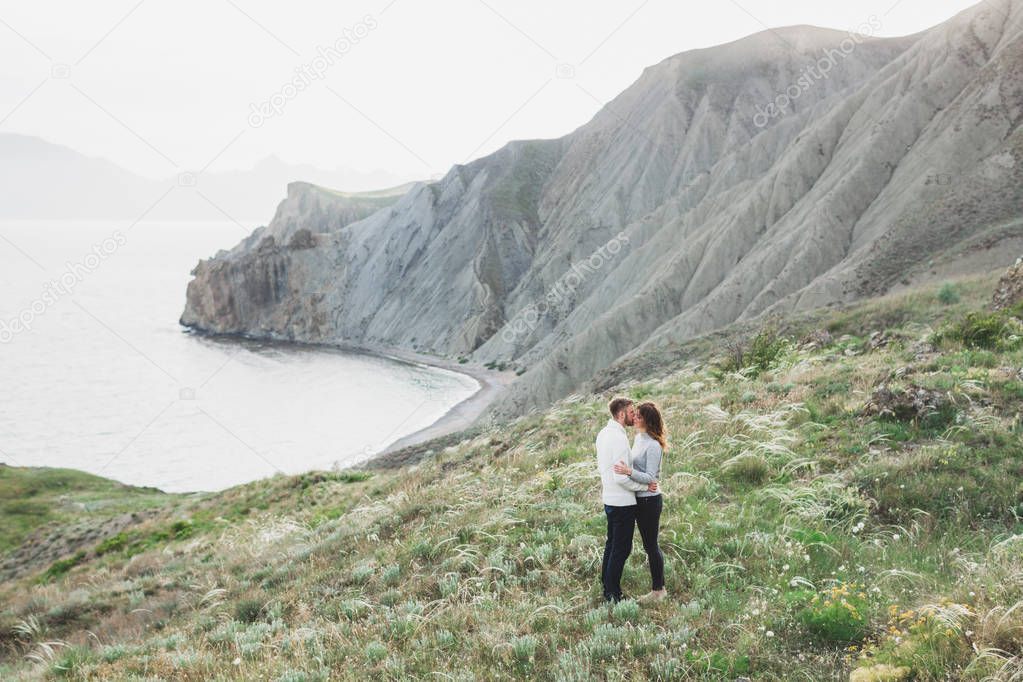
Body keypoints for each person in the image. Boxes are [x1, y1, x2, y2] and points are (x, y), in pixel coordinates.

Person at [596, 397, 657, 603]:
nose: (634, 416)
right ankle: (613, 594)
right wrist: (643, 486)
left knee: (611, 544)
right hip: (622, 502)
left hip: (609, 499)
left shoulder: (603, 434)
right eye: (631, 412)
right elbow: (621, 477)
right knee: (622, 548)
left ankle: (606, 583)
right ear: (621, 415)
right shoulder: (620, 439)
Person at [614, 401, 667, 601]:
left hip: (650, 501)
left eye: (638, 416)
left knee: (651, 545)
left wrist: (628, 471)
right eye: (634, 415)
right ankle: (658, 588)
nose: (634, 418)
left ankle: (659, 590)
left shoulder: (653, 445)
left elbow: (651, 478)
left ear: (647, 420)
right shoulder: (638, 438)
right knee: (648, 545)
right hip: (639, 499)